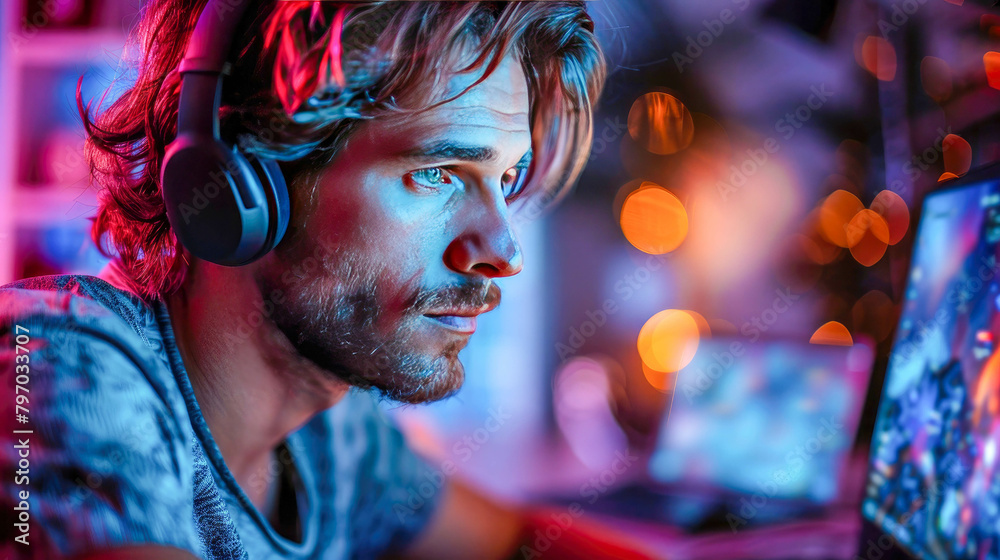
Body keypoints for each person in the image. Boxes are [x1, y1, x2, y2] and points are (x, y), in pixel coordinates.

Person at [1, 1, 652, 558]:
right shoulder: (56, 368)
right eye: (438, 171)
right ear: (242, 184)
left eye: (506, 180)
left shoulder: (335, 438)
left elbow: (516, 544)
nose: (504, 253)